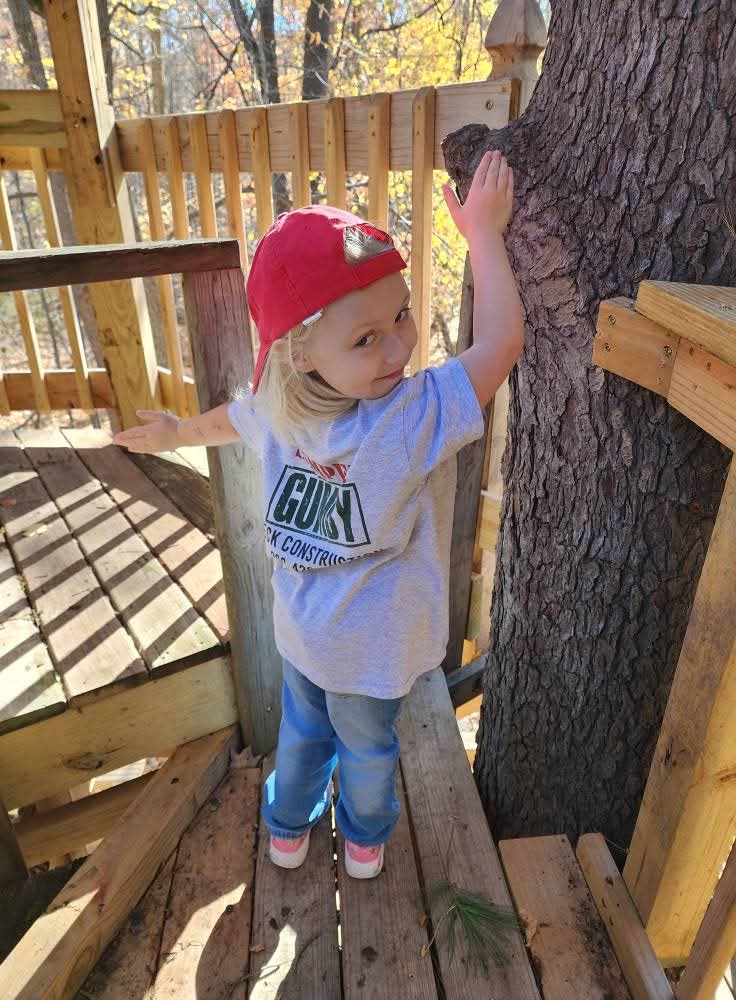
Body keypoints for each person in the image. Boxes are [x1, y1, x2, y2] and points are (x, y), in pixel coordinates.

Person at [112, 149, 523, 879]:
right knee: (365, 747)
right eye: (366, 338)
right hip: (369, 655)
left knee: (301, 736)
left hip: (301, 635)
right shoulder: (408, 418)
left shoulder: (283, 413)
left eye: (401, 314)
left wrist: (178, 433)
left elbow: (231, 421)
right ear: (302, 355)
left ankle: (286, 831)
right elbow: (500, 345)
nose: (399, 345)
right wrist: (485, 237)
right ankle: (364, 839)